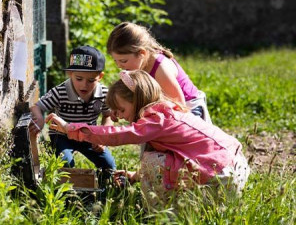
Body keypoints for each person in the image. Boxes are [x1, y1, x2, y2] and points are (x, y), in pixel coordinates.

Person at [46, 70, 250, 205]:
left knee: (151, 161)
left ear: (137, 100)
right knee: (156, 159)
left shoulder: (156, 120)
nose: (119, 117)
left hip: (221, 176)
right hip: (234, 165)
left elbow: (119, 135)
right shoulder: (167, 111)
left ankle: (162, 212)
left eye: (122, 109)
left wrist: (70, 128)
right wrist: (136, 176)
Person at [29, 45, 116, 171]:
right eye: (79, 79)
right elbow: (37, 106)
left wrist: (102, 136)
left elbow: (108, 115)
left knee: (109, 165)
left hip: (88, 135)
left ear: (100, 76)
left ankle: (104, 188)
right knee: (65, 164)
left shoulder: (103, 93)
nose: (84, 85)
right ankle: (66, 190)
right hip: (62, 136)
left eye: (91, 80)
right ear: (70, 73)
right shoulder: (60, 92)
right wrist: (39, 119)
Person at [107, 22, 211, 123]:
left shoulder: (161, 70)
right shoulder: (134, 67)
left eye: (123, 61)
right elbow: (128, 95)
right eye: (115, 61)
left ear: (142, 53)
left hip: (189, 109)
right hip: (165, 109)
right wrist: (118, 107)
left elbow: (180, 107)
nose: (119, 66)